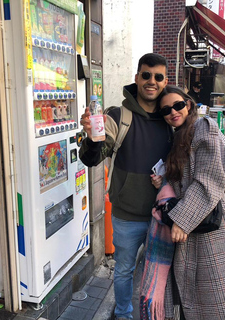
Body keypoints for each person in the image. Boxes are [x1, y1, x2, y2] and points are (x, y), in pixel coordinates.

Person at [146, 85, 225, 319]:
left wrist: (182, 221)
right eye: (166, 110)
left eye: (177, 105)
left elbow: (211, 178)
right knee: (195, 297)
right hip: (191, 223)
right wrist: (163, 182)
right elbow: (185, 179)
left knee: (218, 299)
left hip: (208, 226)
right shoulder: (180, 134)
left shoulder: (204, 127)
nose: (173, 112)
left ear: (188, 104)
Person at [79, 53, 173, 319]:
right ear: (137, 77)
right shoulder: (118, 115)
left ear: (165, 81)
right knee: (123, 271)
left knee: (163, 271)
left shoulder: (172, 117)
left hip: (164, 215)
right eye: (146, 75)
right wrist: (92, 138)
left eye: (158, 77)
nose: (151, 81)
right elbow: (92, 158)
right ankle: (123, 314)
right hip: (126, 215)